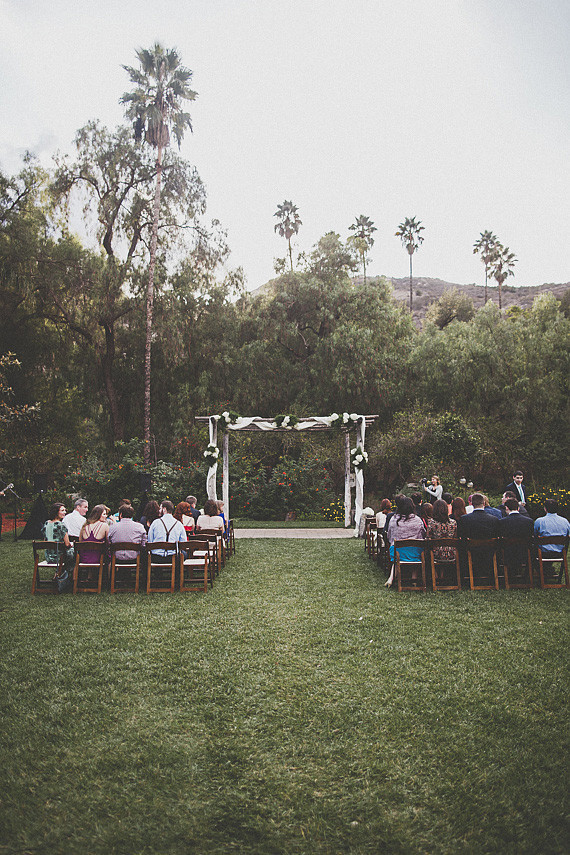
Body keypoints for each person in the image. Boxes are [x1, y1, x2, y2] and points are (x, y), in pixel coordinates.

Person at [457, 492, 500, 577]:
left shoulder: (464, 519)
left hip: (471, 552)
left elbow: (461, 536)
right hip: (489, 552)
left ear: (472, 504)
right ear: (484, 503)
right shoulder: (494, 520)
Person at [386, 497, 425, 586]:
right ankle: (414, 578)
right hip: (415, 553)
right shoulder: (418, 520)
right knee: (416, 551)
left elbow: (390, 536)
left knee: (396, 550)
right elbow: (422, 535)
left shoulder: (393, 519)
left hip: (397, 552)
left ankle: (392, 577)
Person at [42, 502, 75, 587]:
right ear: (56, 512)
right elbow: (67, 544)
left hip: (49, 556)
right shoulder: (61, 525)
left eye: (65, 510)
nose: (65, 512)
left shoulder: (46, 523)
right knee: (75, 553)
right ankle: (72, 578)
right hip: (59, 557)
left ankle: (58, 574)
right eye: (62, 510)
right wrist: (71, 545)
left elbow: (45, 540)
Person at [497, 497, 534, 572]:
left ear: (506, 508)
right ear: (518, 508)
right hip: (525, 553)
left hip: (508, 554)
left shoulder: (502, 522)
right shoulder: (529, 521)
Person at [533, 499, 570, 566]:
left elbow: (535, 535)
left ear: (545, 509)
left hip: (543, 553)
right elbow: (568, 535)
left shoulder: (539, 521)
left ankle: (538, 569)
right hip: (560, 552)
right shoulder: (565, 521)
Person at [426, 498, 458, 575]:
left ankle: (435, 574)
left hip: (436, 554)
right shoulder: (453, 523)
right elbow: (455, 538)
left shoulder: (431, 523)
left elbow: (428, 539)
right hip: (451, 553)